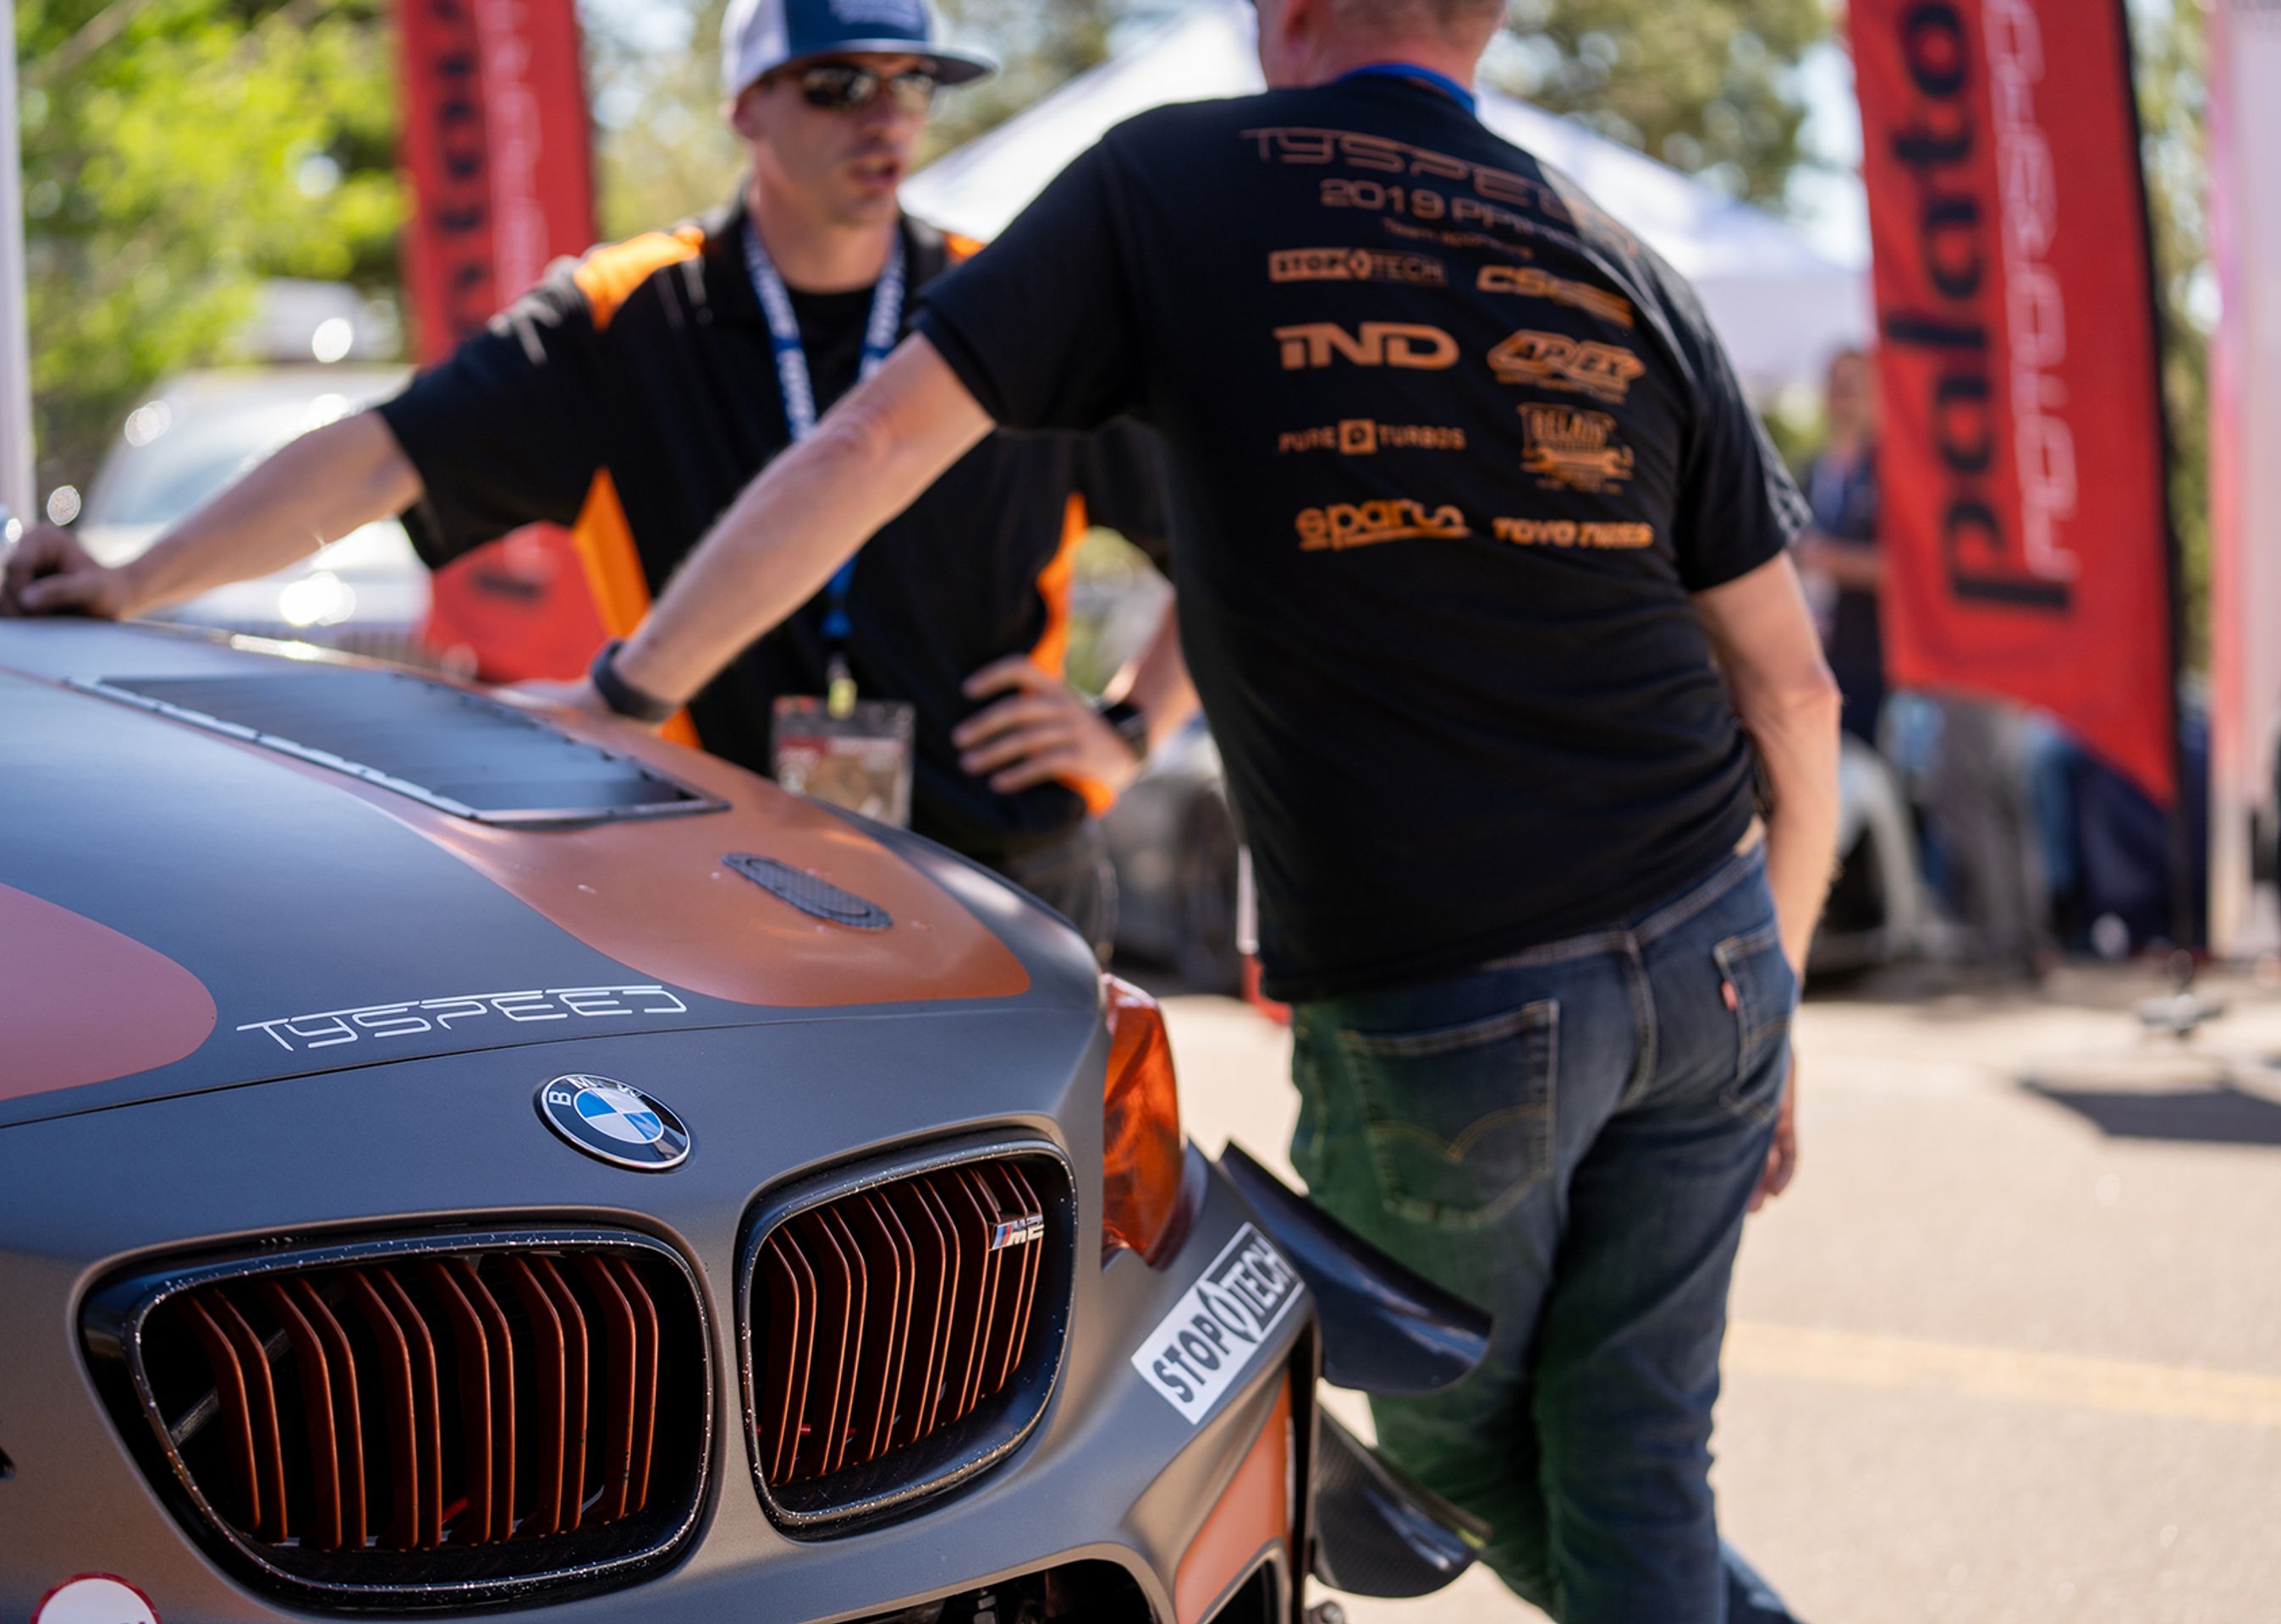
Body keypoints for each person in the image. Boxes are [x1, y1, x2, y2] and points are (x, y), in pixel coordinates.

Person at [549, 0, 1843, 1616]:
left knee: (1462, 1455)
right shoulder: (1614, 251)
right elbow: (1794, 694)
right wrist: (1776, 997)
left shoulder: (1173, 180)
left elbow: (879, 437)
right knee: (1634, 1449)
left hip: (1454, 979)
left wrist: (623, 689)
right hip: (1717, 938)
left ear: (1280, 16)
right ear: (1492, 21)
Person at [0, 0, 1194, 957]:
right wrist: (136, 578)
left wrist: (1131, 729)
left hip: (998, 869)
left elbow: (1224, 543)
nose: (884, 118)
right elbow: (379, 453)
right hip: (715, 868)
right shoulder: (629, 317)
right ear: (746, 108)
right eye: (838, 84)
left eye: (914, 82)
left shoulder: (1010, 306)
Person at [1793, 347, 1884, 746]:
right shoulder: (1809, 470)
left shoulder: (1888, 473)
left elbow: (1911, 571)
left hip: (1873, 665)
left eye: (1853, 384)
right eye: (1835, 384)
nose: (1842, 395)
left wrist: (1829, 559)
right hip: (1812, 658)